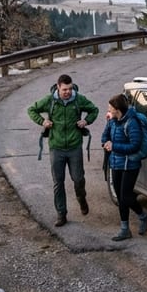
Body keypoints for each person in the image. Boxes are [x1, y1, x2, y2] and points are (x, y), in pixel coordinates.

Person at [27, 73, 99, 227]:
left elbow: (94, 110)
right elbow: (32, 110)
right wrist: (43, 121)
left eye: (70, 89)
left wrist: (86, 121)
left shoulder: (79, 99)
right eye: (65, 89)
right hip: (56, 147)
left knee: (78, 179)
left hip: (74, 146)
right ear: (58, 87)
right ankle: (61, 214)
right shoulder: (49, 101)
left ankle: (81, 198)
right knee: (58, 182)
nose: (68, 92)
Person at [101, 93, 147, 241]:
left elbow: (134, 145)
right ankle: (125, 229)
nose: (108, 110)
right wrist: (106, 143)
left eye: (110, 108)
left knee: (126, 197)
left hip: (130, 164)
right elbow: (105, 136)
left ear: (118, 109)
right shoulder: (112, 121)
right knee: (120, 196)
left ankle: (143, 216)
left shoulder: (132, 123)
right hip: (115, 162)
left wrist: (114, 146)